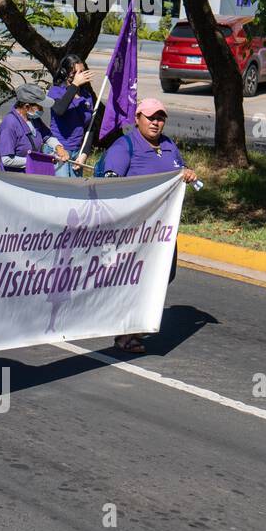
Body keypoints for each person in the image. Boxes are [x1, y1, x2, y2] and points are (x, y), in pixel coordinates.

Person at [98, 98, 198, 354]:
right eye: (151, 117)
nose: (156, 122)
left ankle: (131, 322)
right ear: (137, 118)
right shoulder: (125, 146)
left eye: (161, 118)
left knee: (166, 273)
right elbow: (112, 186)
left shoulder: (168, 145)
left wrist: (187, 173)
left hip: (163, 229)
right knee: (136, 277)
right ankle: (126, 331)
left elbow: (179, 169)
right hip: (134, 230)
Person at [0, 83, 70, 173]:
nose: (42, 110)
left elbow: (47, 135)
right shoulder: (9, 124)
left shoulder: (33, 119)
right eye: (39, 106)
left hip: (31, 174)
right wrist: (39, 160)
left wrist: (59, 148)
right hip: (13, 179)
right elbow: (7, 160)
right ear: (27, 107)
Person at [48, 54, 97, 175]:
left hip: (77, 152)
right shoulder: (55, 91)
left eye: (82, 72)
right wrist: (74, 85)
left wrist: (84, 154)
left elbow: (90, 127)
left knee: (75, 190)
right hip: (59, 149)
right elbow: (60, 110)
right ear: (65, 73)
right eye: (76, 72)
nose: (80, 76)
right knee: (62, 189)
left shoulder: (86, 96)